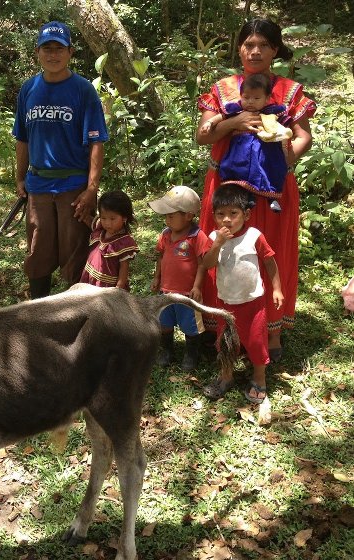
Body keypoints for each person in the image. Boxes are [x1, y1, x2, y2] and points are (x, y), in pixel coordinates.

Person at [196, 19, 315, 363]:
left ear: (275, 50)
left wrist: (286, 148)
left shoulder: (289, 91)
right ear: (239, 48)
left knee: (270, 251)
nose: (255, 51)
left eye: (263, 44)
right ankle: (223, 326)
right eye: (249, 44)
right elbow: (203, 135)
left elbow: (304, 135)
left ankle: (271, 331)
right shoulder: (223, 90)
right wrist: (232, 123)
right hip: (226, 189)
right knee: (224, 248)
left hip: (274, 189)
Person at [13, 20, 109, 299]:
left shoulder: (82, 90)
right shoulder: (28, 90)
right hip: (39, 185)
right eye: (47, 48)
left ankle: (76, 312)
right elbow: (22, 139)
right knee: (37, 252)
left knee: (75, 253)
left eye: (59, 48)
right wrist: (20, 177)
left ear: (70, 52)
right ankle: (39, 313)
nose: (53, 54)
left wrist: (91, 189)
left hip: (73, 186)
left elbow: (96, 141)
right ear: (38, 52)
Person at [201, 183, 284, 403]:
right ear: (214, 216)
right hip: (225, 304)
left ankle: (260, 379)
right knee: (226, 343)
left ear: (246, 214)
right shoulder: (213, 238)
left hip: (252, 303)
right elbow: (206, 263)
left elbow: (269, 261)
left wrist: (277, 288)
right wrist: (217, 244)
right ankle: (226, 376)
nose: (227, 219)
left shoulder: (254, 236)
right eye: (221, 214)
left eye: (233, 214)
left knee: (256, 343)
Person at [199, 73, 294, 213]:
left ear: (267, 99)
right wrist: (209, 122)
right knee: (237, 170)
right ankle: (247, 199)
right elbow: (222, 116)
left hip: (265, 151)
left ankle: (272, 199)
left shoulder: (270, 111)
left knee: (269, 172)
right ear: (241, 95)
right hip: (240, 150)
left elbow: (286, 120)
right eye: (246, 97)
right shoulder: (237, 110)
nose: (250, 102)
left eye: (256, 98)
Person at [149, 185, 210, 370]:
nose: (167, 219)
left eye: (171, 215)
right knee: (164, 322)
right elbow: (160, 257)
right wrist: (156, 277)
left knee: (190, 325)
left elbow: (203, 264)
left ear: (189, 216)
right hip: (166, 291)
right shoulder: (165, 235)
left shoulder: (197, 236)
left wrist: (197, 287)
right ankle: (167, 350)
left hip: (187, 294)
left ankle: (191, 353)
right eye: (165, 216)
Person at [79, 190, 139, 290]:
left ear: (124, 218)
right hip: (89, 277)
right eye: (103, 218)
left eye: (112, 219)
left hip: (106, 286)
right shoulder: (100, 228)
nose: (107, 223)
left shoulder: (124, 243)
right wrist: (82, 213)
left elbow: (124, 270)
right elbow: (90, 222)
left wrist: (118, 288)